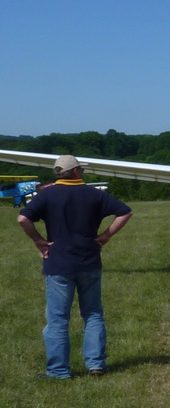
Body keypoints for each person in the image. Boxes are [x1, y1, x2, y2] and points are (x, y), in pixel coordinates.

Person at [16, 154, 132, 379]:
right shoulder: (95, 194)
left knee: (58, 319)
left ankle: (59, 371)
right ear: (77, 172)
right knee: (93, 314)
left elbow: (23, 219)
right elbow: (126, 212)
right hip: (89, 261)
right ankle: (96, 364)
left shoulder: (47, 194)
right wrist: (106, 236)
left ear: (58, 173)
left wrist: (39, 241)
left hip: (58, 264)